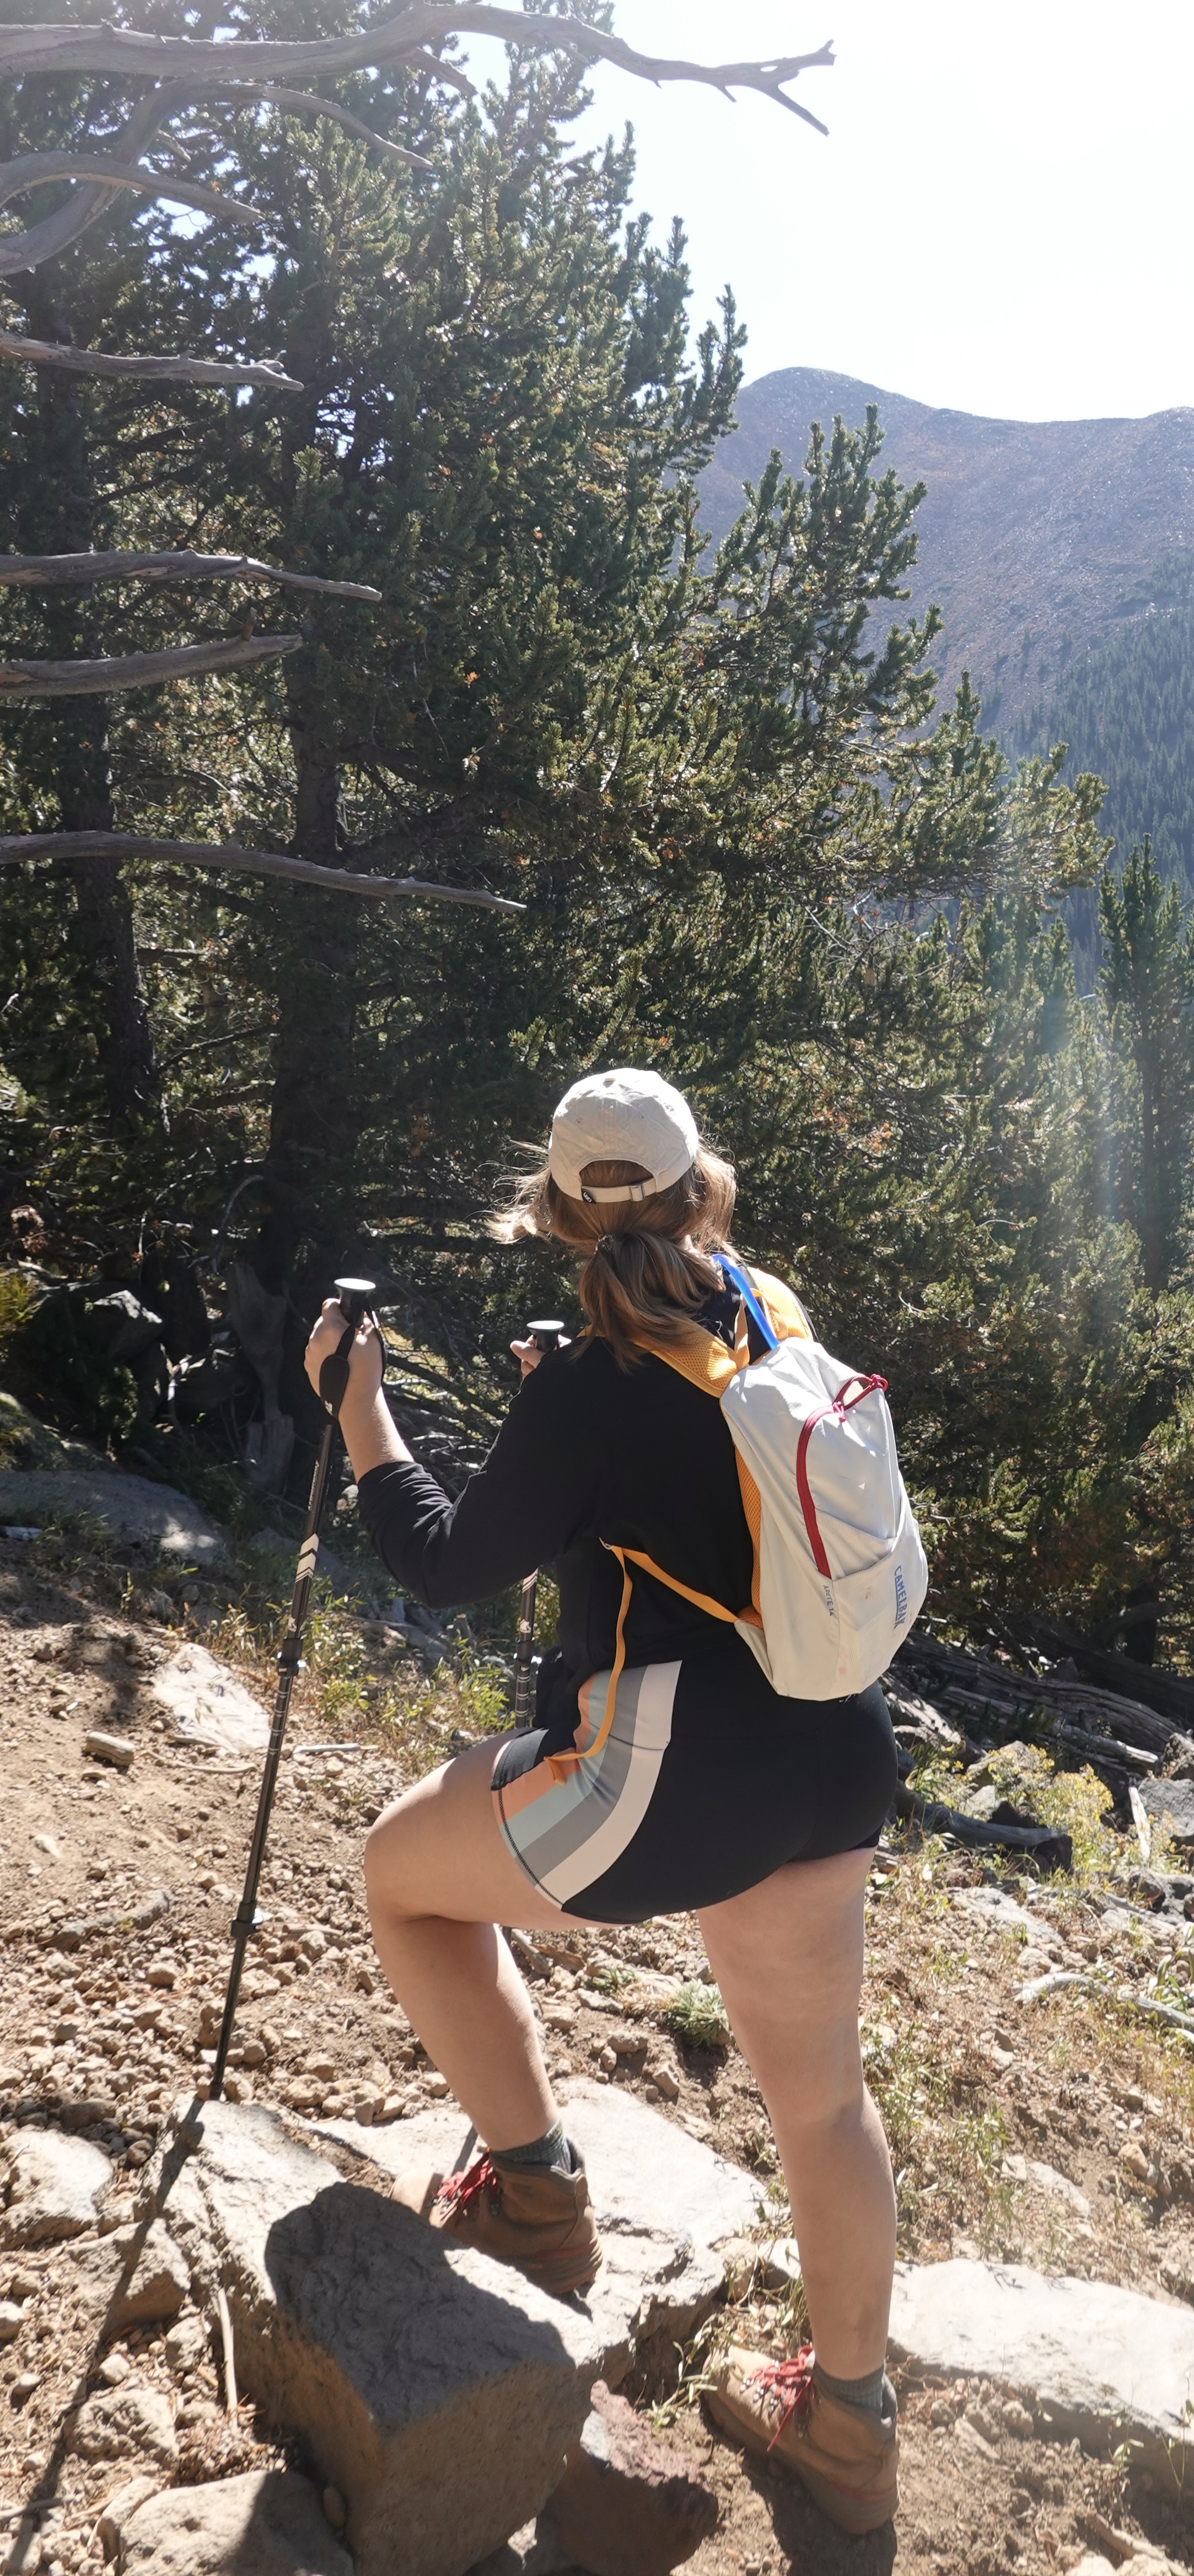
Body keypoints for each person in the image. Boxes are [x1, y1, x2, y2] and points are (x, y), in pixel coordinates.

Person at [304, 1067, 903, 2535]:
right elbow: (701, 1504)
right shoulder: (770, 1314)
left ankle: (535, 2196)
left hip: (667, 1785)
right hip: (831, 1752)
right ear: (705, 1186)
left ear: (564, 1211)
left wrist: (362, 1411)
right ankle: (846, 2423)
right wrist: (562, 1430)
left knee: (402, 1875)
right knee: (821, 2098)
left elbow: (444, 1560)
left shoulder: (588, 1386)